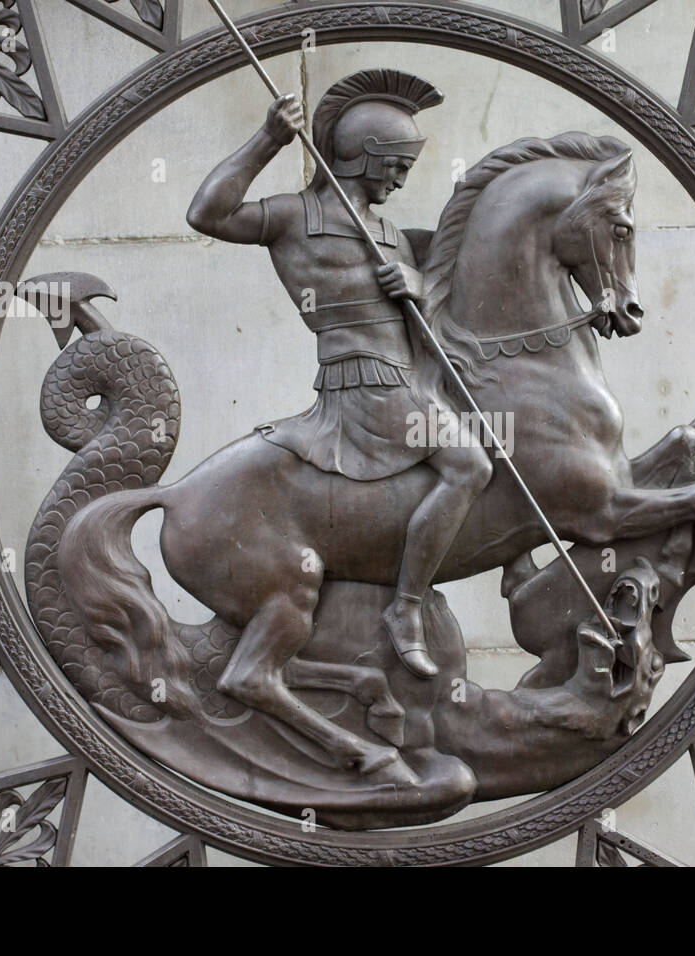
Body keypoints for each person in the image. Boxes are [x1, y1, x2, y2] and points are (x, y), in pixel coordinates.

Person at [186, 70, 492, 679]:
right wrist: (268, 139)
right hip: (363, 388)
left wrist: (423, 286)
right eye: (396, 164)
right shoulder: (293, 217)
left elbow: (470, 279)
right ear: (360, 156)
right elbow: (207, 212)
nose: (403, 178)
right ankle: (405, 610)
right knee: (472, 466)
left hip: (410, 377)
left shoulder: (390, 235)